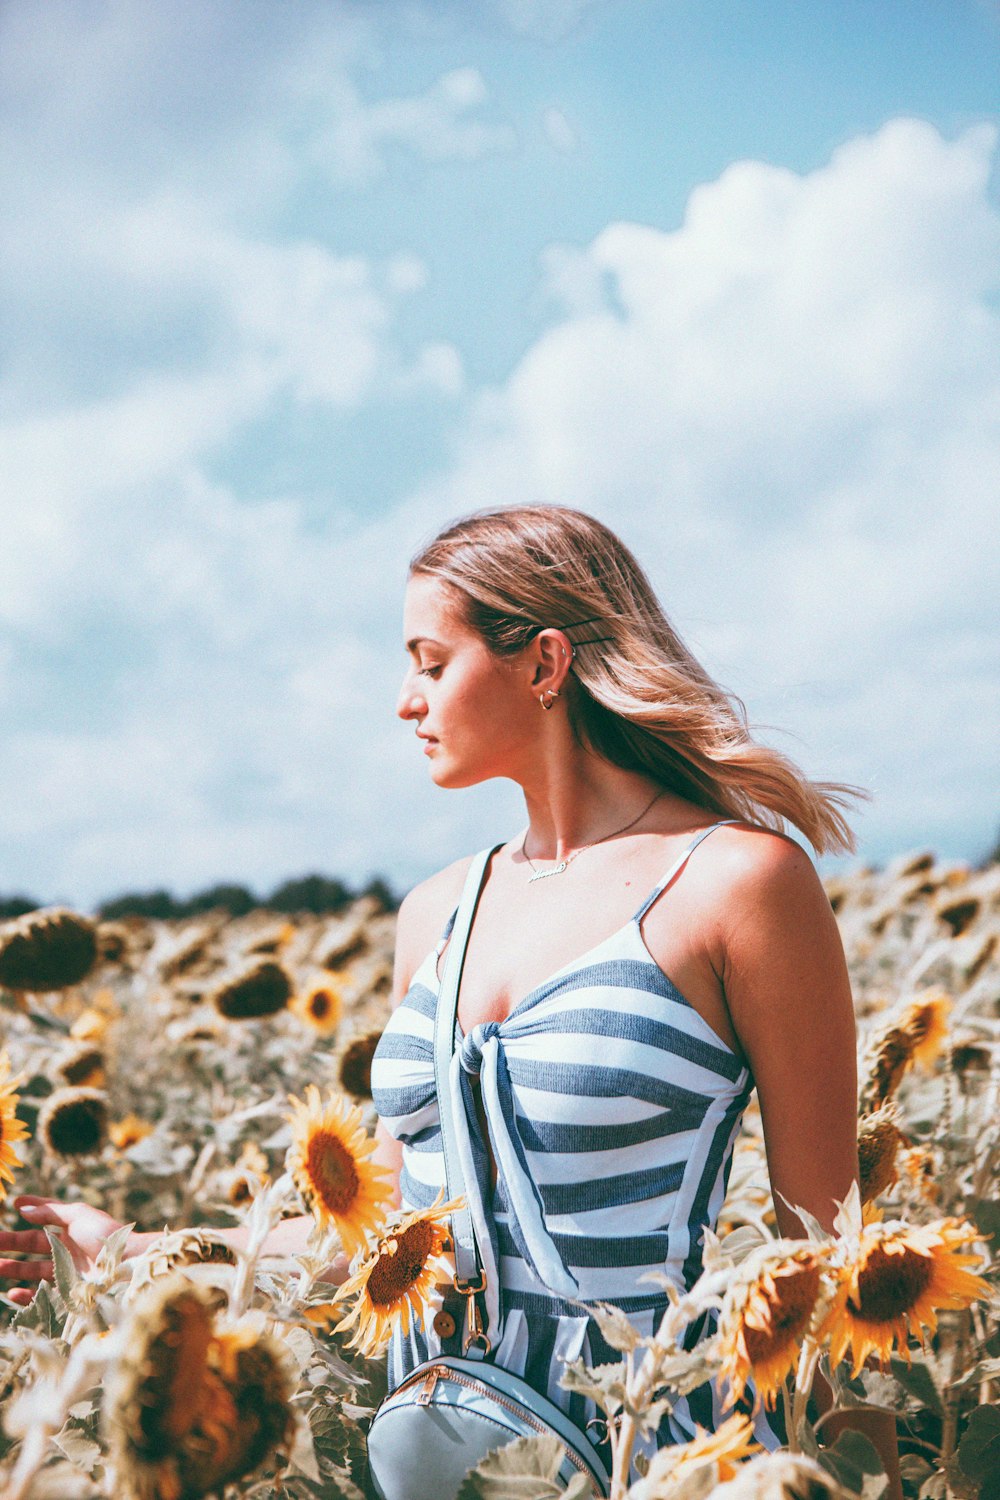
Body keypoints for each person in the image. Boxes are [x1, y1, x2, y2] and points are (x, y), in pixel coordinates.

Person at [0, 504, 900, 1493]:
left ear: (544, 664)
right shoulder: (433, 912)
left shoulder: (738, 884)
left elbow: (824, 1250)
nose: (403, 700)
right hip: (425, 1456)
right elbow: (382, 1240)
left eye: (430, 663)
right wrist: (133, 1247)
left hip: (655, 1452)